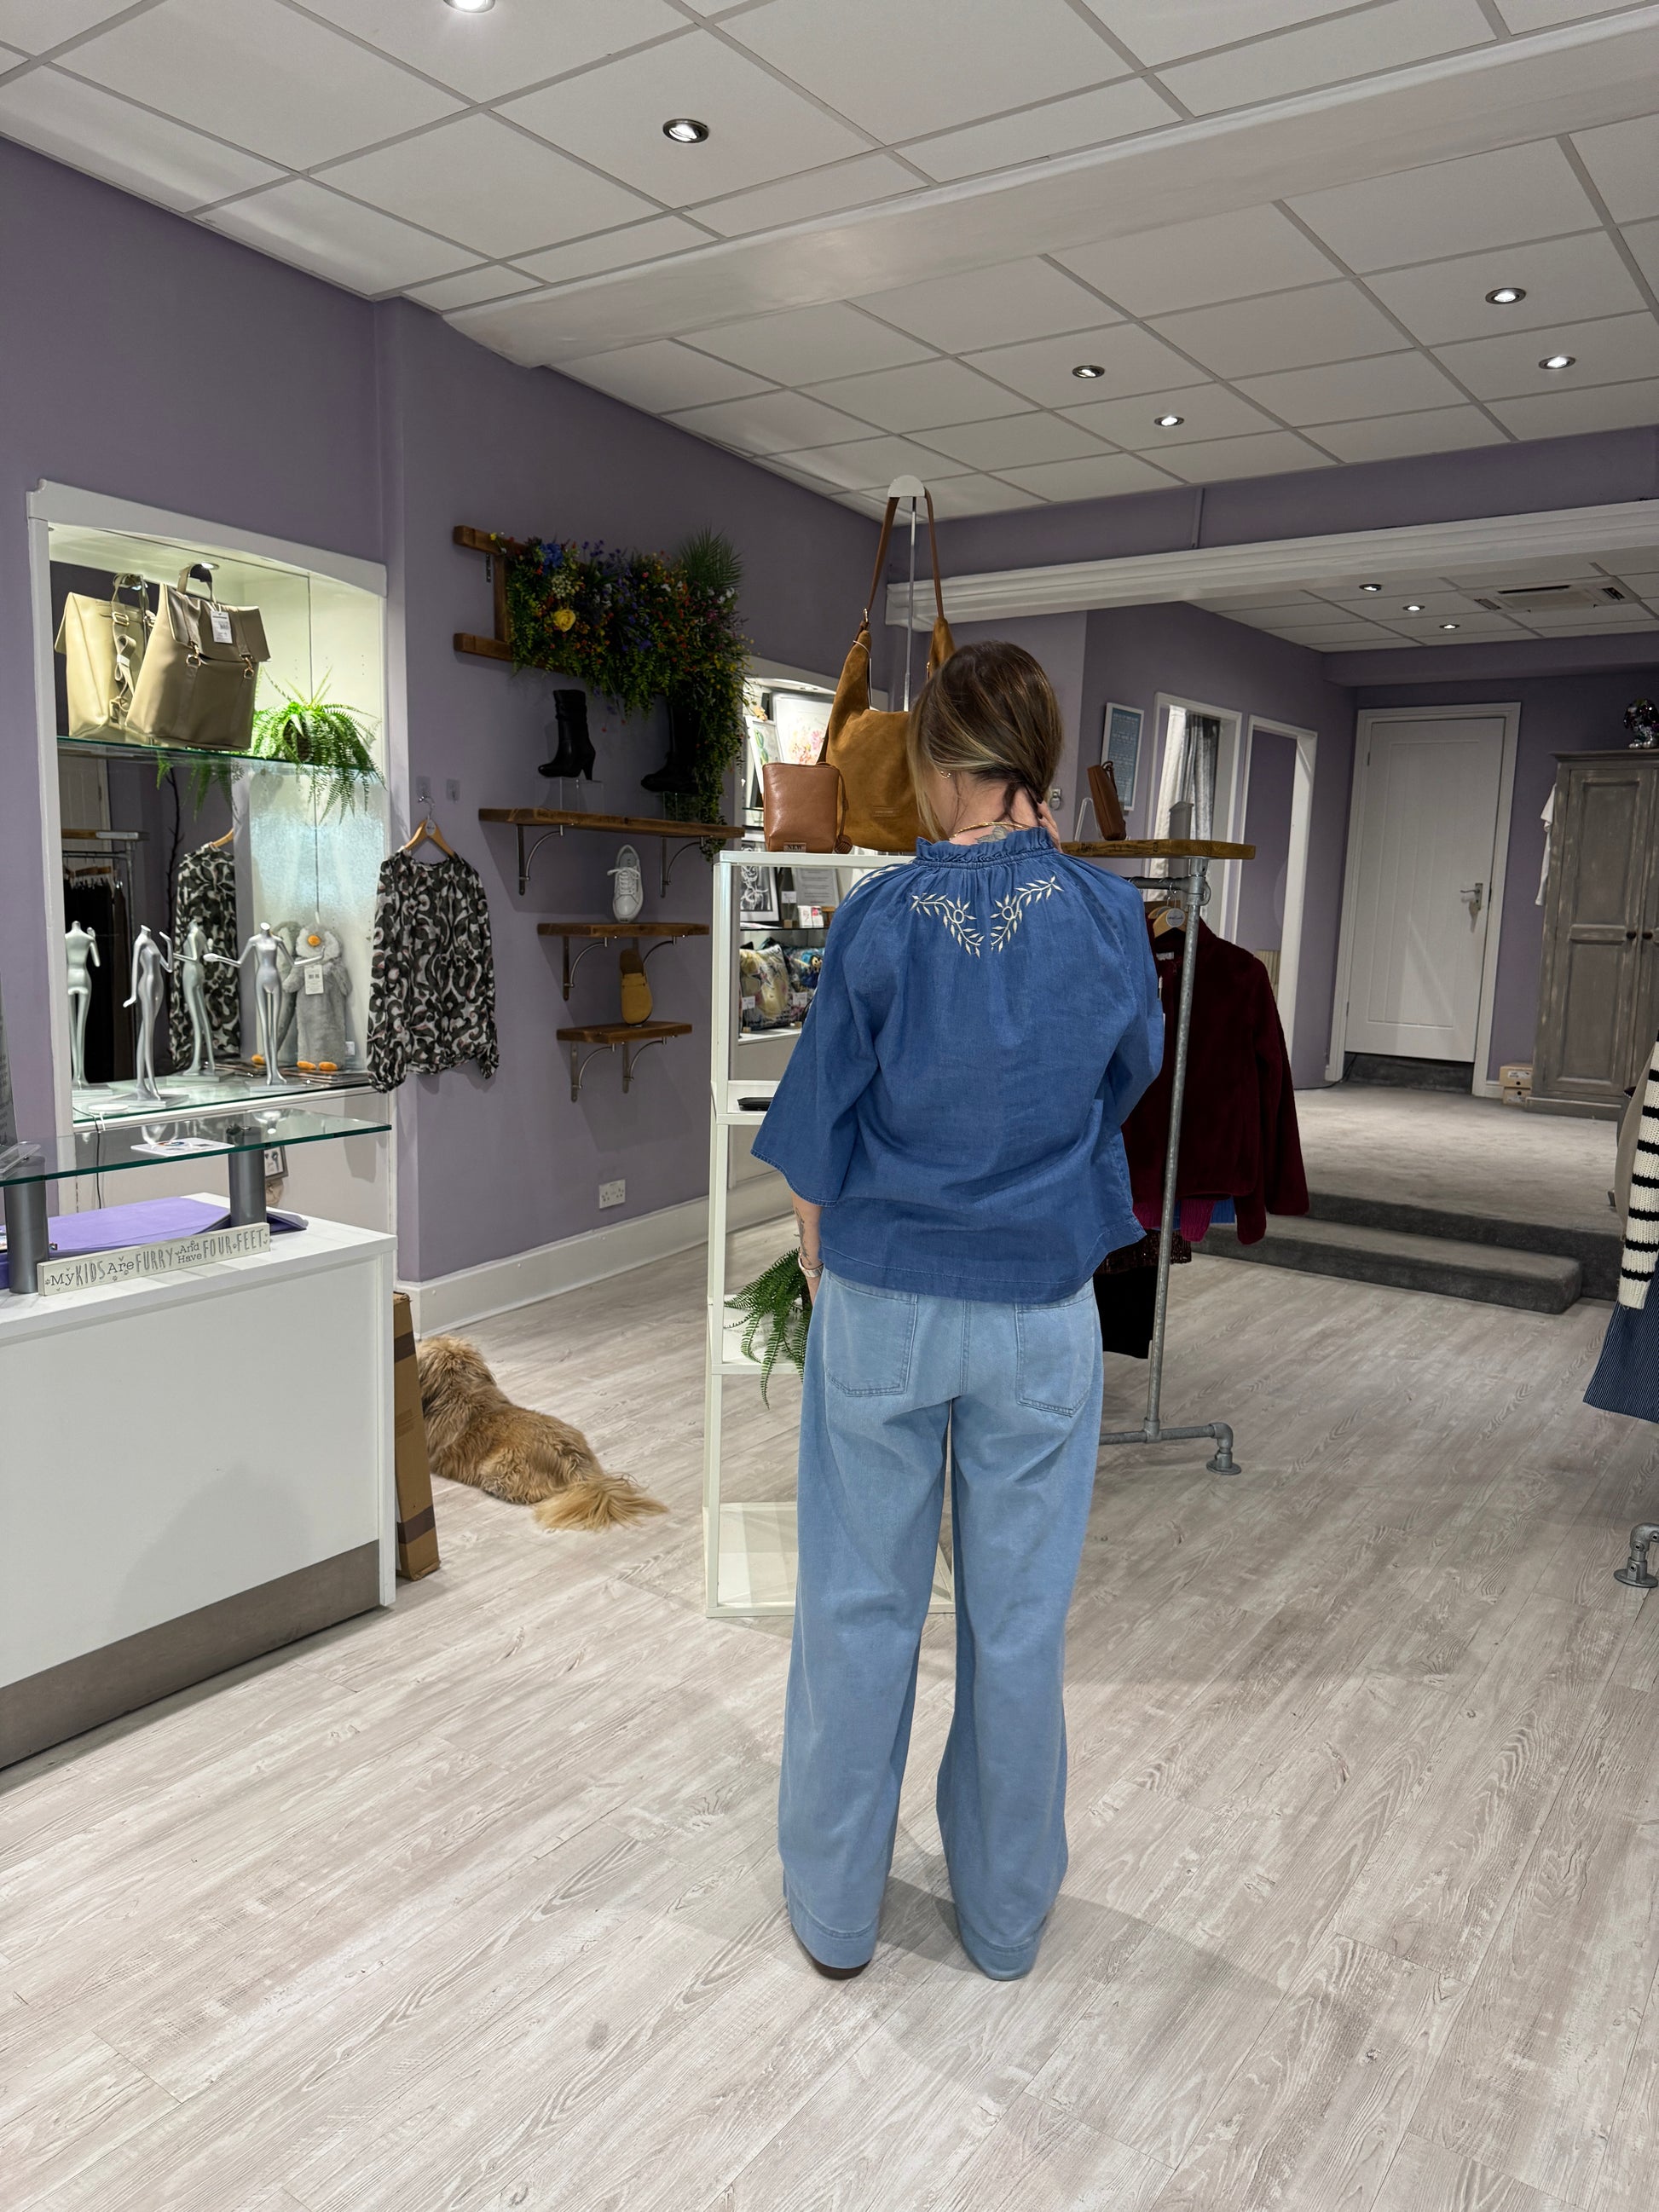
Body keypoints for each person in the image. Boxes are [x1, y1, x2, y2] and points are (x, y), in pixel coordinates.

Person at [752, 639, 1163, 1983]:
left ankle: (835, 1913)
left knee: (857, 1604)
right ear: (1036, 762)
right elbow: (1122, 1083)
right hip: (1040, 1303)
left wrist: (818, 1254)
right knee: (1017, 1624)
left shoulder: (878, 918)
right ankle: (1000, 1919)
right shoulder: (1109, 919)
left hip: (884, 1294)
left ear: (937, 762)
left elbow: (815, 1129)